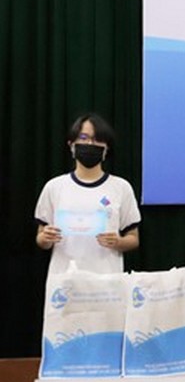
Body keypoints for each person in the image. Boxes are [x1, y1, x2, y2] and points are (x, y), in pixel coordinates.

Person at [34, 113, 141, 275]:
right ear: (71, 145)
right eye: (83, 138)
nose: (90, 144)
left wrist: (118, 242)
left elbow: (133, 238)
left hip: (107, 280)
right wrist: (45, 239)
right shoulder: (54, 187)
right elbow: (41, 237)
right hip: (63, 279)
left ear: (106, 148)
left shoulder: (121, 187)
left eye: (97, 139)